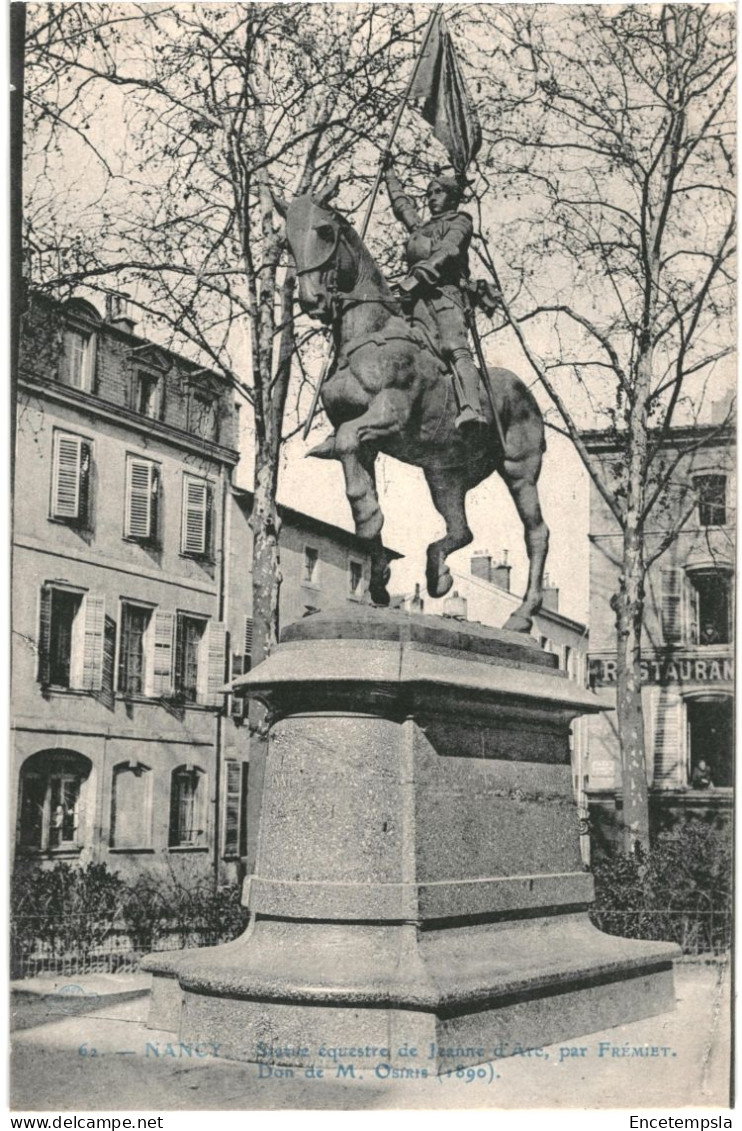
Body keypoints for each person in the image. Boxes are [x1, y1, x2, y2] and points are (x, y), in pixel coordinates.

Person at [384, 159, 488, 432]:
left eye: (437, 192)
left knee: (454, 347)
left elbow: (450, 250)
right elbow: (402, 206)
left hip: (446, 295)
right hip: (415, 300)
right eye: (428, 194)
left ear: (452, 196)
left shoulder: (461, 220)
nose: (431, 198)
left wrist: (419, 275)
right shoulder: (421, 228)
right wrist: (389, 173)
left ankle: (471, 409)